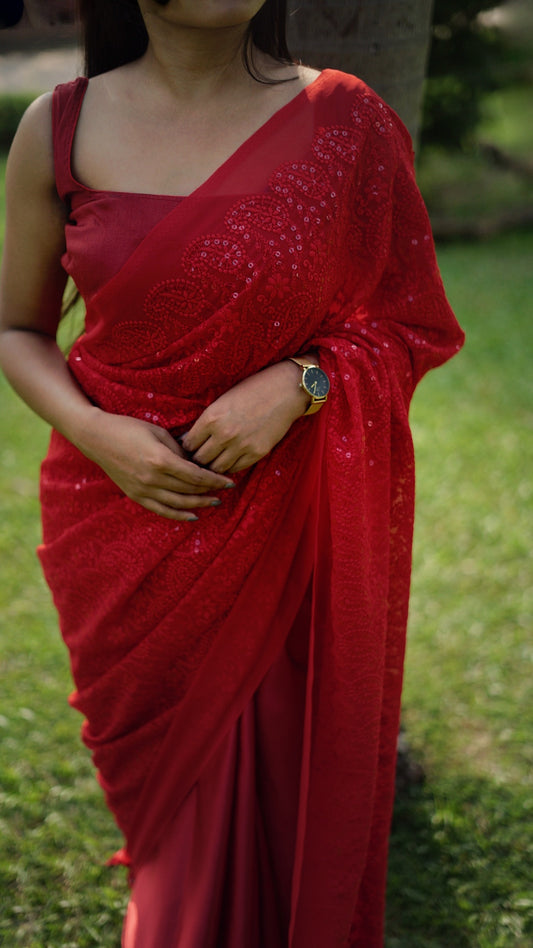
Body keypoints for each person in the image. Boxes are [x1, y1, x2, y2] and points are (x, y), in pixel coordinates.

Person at [0, 1, 465, 945]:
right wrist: (97, 434)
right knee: (177, 805)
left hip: (295, 526)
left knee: (276, 808)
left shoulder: (346, 121)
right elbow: (17, 328)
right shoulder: (57, 125)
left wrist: (300, 383)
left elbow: (408, 321)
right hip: (123, 526)